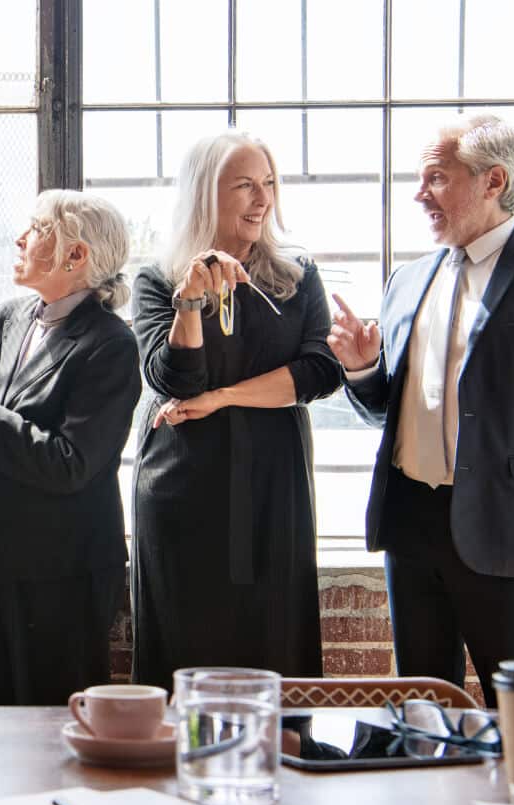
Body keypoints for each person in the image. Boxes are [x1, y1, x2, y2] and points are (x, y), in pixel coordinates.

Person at [328, 115, 514, 707]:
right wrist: (361, 368)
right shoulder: (407, 280)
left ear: (493, 180)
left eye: (436, 178)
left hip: (511, 530)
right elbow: (391, 410)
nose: (419, 194)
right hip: (412, 525)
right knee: (425, 716)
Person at [130, 129, 341, 689]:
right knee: (184, 647)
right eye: (245, 185)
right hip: (182, 484)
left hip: (275, 479)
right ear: (204, 193)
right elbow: (174, 377)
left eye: (268, 183)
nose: (262, 198)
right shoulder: (157, 277)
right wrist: (191, 302)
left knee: (274, 639)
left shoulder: (298, 274)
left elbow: (321, 372)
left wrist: (222, 397)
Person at [0, 190, 140, 705]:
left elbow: (72, 463)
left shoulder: (111, 344)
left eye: (37, 228)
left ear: (76, 255)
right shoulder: (9, 316)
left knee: (53, 724)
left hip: (63, 571)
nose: (20, 238)